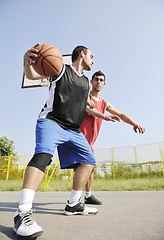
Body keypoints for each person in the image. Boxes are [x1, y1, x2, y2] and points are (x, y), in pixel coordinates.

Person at [14, 44, 103, 239]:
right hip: (52, 121)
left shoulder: (87, 82)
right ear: (82, 54)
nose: (93, 61)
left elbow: (88, 106)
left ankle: (73, 204)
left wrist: (102, 115)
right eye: (91, 56)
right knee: (44, 156)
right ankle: (22, 212)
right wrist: (26, 62)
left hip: (73, 129)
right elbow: (31, 76)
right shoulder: (59, 68)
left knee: (89, 161)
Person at [78, 70, 145, 205]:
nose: (98, 82)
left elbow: (120, 114)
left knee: (90, 167)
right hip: (78, 136)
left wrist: (134, 123)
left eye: (101, 80)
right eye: (96, 79)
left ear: (104, 84)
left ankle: (87, 195)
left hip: (90, 141)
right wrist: (104, 117)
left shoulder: (104, 103)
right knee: (84, 167)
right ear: (91, 82)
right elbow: (89, 110)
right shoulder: (85, 97)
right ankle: (77, 198)